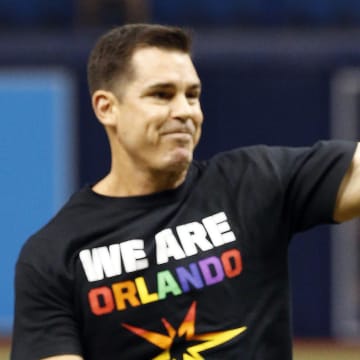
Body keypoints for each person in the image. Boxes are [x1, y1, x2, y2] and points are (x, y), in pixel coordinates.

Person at [11, 23, 360, 360]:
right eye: (161, 95)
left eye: (192, 95)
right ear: (107, 107)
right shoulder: (54, 255)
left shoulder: (252, 182)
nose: (184, 112)